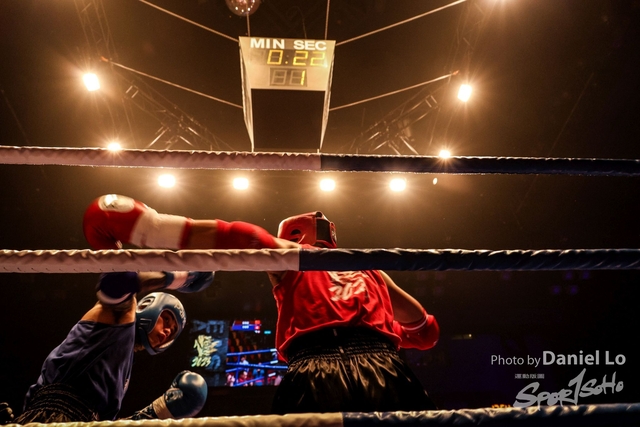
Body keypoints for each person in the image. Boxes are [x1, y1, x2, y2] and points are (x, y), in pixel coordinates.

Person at [83, 194, 441, 413]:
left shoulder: (293, 256)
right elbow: (426, 331)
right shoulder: (372, 270)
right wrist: (384, 332)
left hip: (315, 373)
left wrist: (153, 227)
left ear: (293, 235)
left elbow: (246, 237)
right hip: (386, 369)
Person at [13, 270, 213, 423]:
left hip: (71, 420)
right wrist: (182, 277)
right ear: (149, 307)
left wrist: (157, 412)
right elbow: (116, 280)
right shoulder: (121, 316)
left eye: (174, 330)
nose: (168, 330)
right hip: (55, 416)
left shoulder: (124, 359)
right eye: (167, 319)